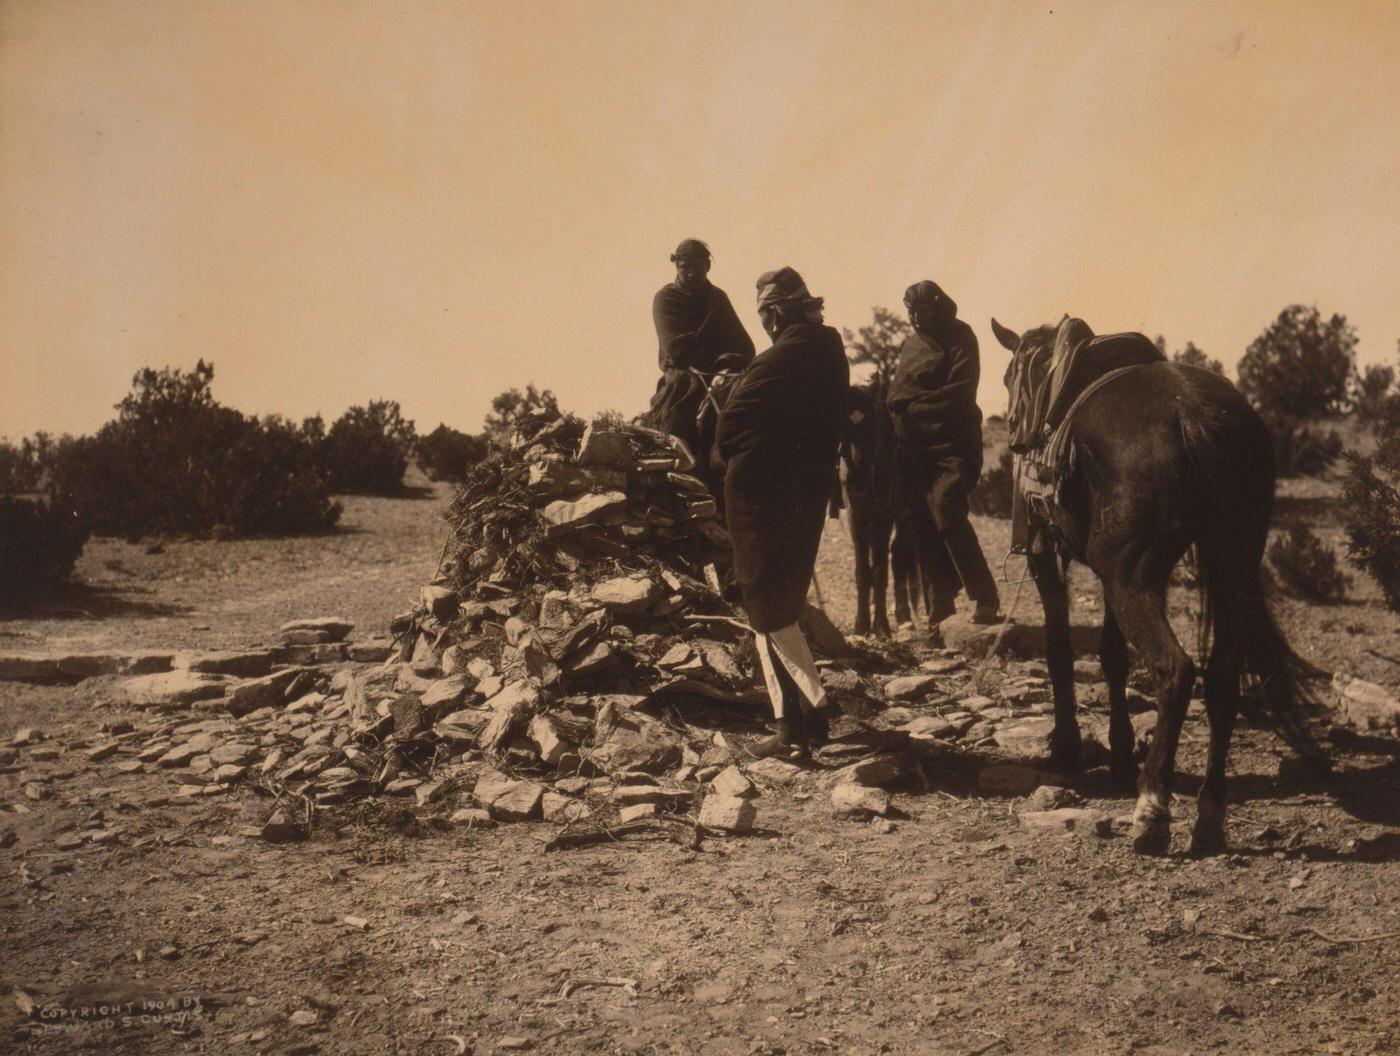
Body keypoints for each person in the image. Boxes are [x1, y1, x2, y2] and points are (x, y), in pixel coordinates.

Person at [716, 267, 849, 758]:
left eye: (765, 314)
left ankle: (808, 714)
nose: (765, 323)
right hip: (807, 496)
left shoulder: (774, 360)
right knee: (777, 604)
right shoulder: (830, 350)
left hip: (758, 500)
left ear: (777, 313)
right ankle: (798, 722)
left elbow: (728, 432)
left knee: (763, 603)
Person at [887, 280, 1002, 626]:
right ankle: (942, 603)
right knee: (921, 521)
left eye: (921, 310)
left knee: (945, 506)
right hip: (913, 449)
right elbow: (896, 394)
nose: (916, 318)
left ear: (938, 306)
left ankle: (985, 596)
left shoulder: (961, 336)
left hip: (954, 445)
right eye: (910, 312)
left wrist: (913, 408)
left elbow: (961, 390)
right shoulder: (911, 345)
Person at [646, 239, 755, 471]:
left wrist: (725, 367)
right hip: (684, 376)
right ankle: (677, 478)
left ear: (707, 266)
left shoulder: (718, 298)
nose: (690, 273)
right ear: (676, 266)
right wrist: (712, 353)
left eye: (696, 266)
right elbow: (675, 348)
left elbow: (744, 345)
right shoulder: (665, 299)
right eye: (684, 266)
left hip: (723, 374)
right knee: (675, 424)